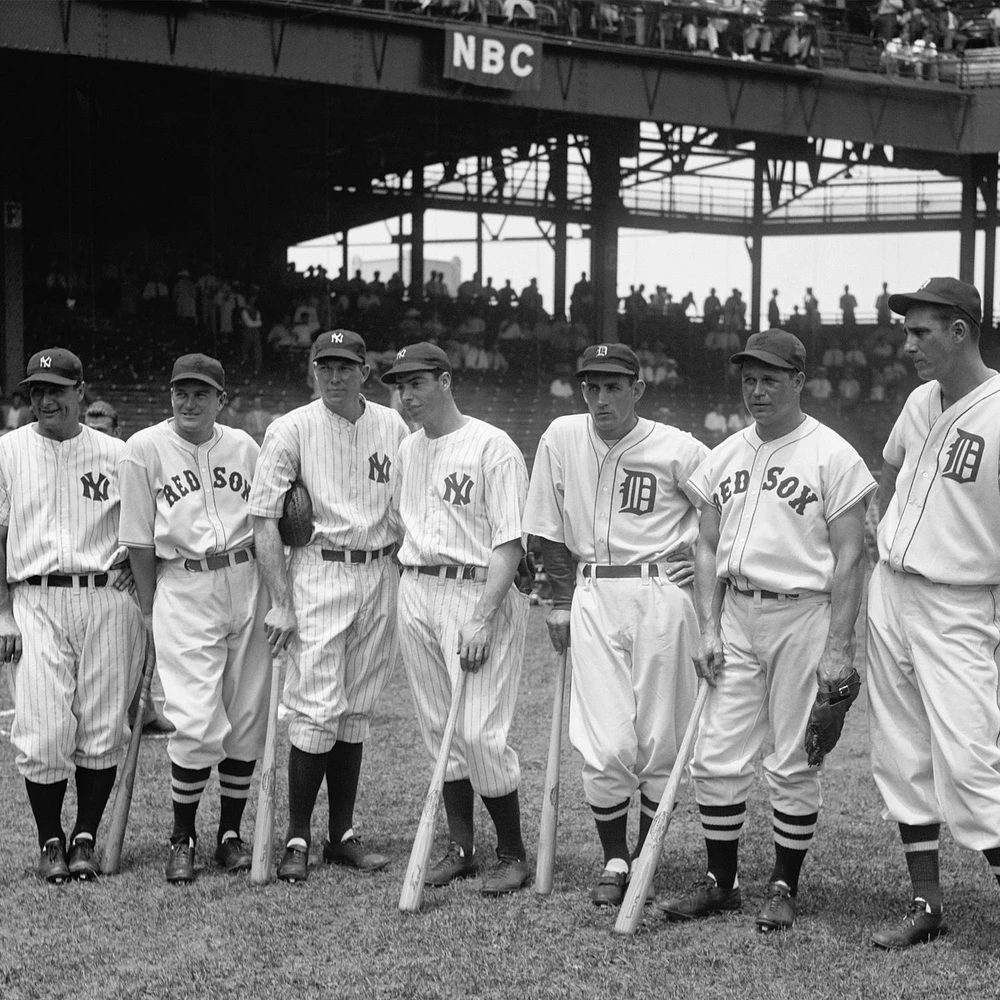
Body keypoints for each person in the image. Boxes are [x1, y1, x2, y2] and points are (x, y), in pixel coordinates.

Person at [658, 329, 875, 932]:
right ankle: (721, 881)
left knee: (792, 760)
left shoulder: (834, 455)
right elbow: (704, 546)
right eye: (750, 379)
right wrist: (707, 627)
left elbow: (851, 557)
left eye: (771, 378)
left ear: (799, 380)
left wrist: (839, 646)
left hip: (803, 613)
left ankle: (783, 883)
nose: (757, 390)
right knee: (715, 754)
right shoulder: (723, 454)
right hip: (736, 613)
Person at [524, 343, 705, 905]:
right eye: (591, 387)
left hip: (660, 594)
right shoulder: (560, 436)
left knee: (658, 737)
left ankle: (646, 855)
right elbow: (546, 526)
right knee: (603, 742)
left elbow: (727, 510)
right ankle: (615, 858)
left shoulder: (679, 447)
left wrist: (698, 545)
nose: (600, 398)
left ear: (637, 389)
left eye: (612, 387)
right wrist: (556, 601)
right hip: (592, 591)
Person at [865, 278, 1000, 949]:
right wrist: (880, 527)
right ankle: (926, 903)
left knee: (973, 761)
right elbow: (890, 469)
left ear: (961, 331)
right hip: (892, 586)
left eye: (921, 331)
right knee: (901, 753)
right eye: (907, 329)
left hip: (960, 597)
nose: (908, 343)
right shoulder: (921, 400)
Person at [249, 330, 408, 883]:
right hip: (319, 567)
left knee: (356, 708)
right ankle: (297, 835)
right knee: (316, 707)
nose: (334, 376)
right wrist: (281, 603)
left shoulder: (392, 425)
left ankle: (340, 835)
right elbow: (265, 519)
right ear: (312, 370)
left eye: (345, 366)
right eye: (325, 366)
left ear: (365, 370)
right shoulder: (289, 428)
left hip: (380, 568)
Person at [380, 341, 532, 896]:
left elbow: (510, 541)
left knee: (480, 732)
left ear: (445, 380)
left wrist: (484, 616)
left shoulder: (492, 445)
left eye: (417, 382)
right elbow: (401, 524)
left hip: (475, 592)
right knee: (439, 726)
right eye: (400, 385)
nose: (407, 395)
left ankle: (512, 852)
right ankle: (463, 849)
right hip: (416, 586)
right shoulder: (407, 449)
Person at [119, 353, 272, 884]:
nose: (189, 402)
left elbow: (267, 521)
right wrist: (146, 605)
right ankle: (182, 836)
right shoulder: (143, 449)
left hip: (248, 578)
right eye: (181, 392)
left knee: (247, 714)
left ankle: (229, 834)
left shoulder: (245, 447)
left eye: (201, 393)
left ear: (220, 400)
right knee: (196, 718)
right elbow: (138, 539)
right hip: (184, 584)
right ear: (170, 395)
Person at [0, 348, 144, 882]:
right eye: (36, 390)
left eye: (56, 389)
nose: (45, 399)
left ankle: (84, 835)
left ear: (80, 391)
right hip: (34, 598)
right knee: (42, 729)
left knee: (103, 727)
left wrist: (135, 558)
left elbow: (144, 526)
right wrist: (3, 616)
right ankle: (48, 839)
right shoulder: (7, 451)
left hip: (106, 597)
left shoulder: (118, 452)